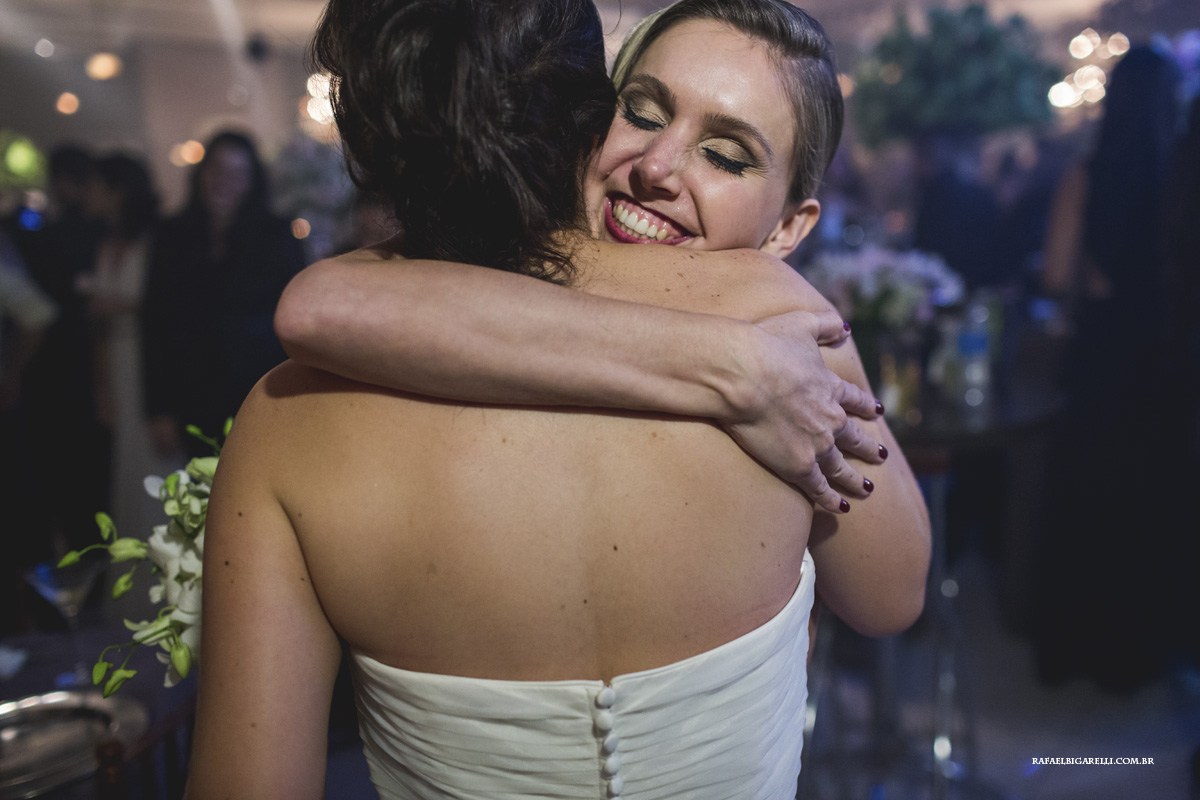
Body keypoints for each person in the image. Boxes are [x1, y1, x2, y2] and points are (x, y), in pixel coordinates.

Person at [186, 1, 930, 797]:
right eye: (640, 112)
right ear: (582, 118)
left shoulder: (289, 419)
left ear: (790, 227)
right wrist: (729, 361)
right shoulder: (777, 328)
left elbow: (892, 592)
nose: (657, 167)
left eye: (726, 155)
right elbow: (887, 601)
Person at [1035, 45, 1184, 692]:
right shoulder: (1181, 181)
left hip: (1100, 352)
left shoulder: (1087, 175)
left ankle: (1073, 647)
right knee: (1146, 504)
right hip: (1160, 356)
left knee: (1086, 496)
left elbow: (1054, 272)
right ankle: (1136, 656)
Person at [141, 130, 306, 462]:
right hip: (190, 392)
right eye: (217, 169)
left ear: (252, 180)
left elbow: (295, 318)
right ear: (201, 172)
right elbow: (154, 321)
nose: (224, 181)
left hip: (259, 389)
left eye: (237, 173)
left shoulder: (277, 236)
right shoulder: (171, 235)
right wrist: (159, 409)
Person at [76, 153, 169, 544]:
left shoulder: (157, 240)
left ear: (118, 190)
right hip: (116, 357)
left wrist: (118, 306)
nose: (89, 193)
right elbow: (99, 329)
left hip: (150, 358)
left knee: (155, 459)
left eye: (96, 185)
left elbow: (168, 310)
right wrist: (101, 386)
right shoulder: (104, 242)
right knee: (125, 461)